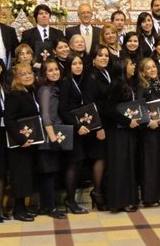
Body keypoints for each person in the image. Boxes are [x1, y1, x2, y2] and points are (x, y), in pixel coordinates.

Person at [4, 63, 40, 221]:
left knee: (26, 176)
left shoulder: (31, 91)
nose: (27, 76)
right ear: (16, 78)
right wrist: (20, 139)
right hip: (19, 144)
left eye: (29, 73)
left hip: (30, 143)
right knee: (20, 177)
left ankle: (23, 207)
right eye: (23, 74)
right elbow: (9, 120)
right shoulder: (14, 94)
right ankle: (18, 210)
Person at [106, 57, 140, 212]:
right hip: (118, 132)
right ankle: (118, 201)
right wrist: (128, 121)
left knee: (129, 165)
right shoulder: (116, 84)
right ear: (123, 67)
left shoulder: (130, 83)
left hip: (129, 131)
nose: (134, 66)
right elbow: (109, 109)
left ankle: (130, 199)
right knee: (120, 166)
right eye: (132, 64)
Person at [58, 54, 89, 215]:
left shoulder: (79, 81)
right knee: (73, 164)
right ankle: (70, 200)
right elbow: (63, 109)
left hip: (81, 128)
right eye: (74, 64)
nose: (78, 66)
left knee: (78, 164)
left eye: (80, 63)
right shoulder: (66, 83)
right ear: (69, 66)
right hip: (72, 129)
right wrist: (77, 126)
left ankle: (71, 200)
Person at [36, 60, 67, 219]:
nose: (54, 72)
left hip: (55, 133)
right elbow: (45, 116)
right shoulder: (46, 90)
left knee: (51, 172)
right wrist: (53, 138)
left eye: (56, 69)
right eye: (50, 70)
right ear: (44, 73)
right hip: (48, 136)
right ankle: (50, 207)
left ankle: (45, 206)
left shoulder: (55, 88)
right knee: (48, 173)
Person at [82, 45, 111, 211]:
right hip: (97, 124)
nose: (104, 58)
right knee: (99, 158)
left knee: (104, 157)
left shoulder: (105, 72)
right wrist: (98, 127)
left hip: (107, 122)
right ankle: (97, 192)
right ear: (93, 58)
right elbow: (89, 104)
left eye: (106, 55)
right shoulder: (91, 75)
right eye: (100, 55)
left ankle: (101, 191)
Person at [137, 58, 160, 207]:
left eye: (153, 67)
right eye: (148, 68)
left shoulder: (158, 84)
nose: (152, 70)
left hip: (159, 129)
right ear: (142, 72)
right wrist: (149, 122)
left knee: (157, 162)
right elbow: (140, 108)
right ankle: (149, 198)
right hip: (148, 131)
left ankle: (157, 195)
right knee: (150, 163)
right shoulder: (141, 87)